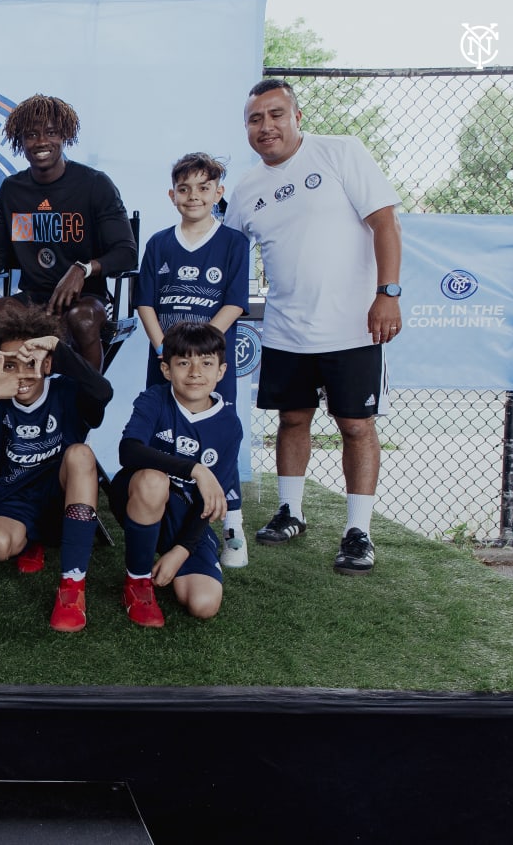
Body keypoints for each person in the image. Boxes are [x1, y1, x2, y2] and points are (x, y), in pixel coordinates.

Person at [223, 79, 402, 575]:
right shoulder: (245, 189)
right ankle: (291, 512)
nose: (267, 127)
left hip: (353, 327)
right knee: (292, 420)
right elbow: (230, 257)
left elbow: (386, 222)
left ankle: (358, 531)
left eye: (276, 115)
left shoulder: (341, 153)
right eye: (256, 119)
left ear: (297, 117)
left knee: (356, 426)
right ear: (247, 129)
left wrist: (387, 293)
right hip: (285, 329)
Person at [0, 303, 113, 633]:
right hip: (16, 498)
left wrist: (59, 350)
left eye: (30, 361)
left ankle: (72, 587)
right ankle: (32, 540)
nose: (21, 372)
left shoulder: (67, 392)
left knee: (80, 454)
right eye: (10, 363)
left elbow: (103, 391)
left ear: (48, 364)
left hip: (63, 494)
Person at [0, 93, 136, 386]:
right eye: (31, 135)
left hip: (87, 300)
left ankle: (83, 411)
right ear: (20, 141)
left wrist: (82, 269)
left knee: (81, 319)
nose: (41, 142)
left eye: (51, 133)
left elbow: (126, 253)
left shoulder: (94, 184)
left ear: (65, 136)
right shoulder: (13, 190)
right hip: (33, 300)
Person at [135, 152, 250, 567]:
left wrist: (201, 350)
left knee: (219, 441)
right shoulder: (158, 243)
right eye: (185, 189)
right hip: (167, 359)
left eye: (204, 188)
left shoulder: (234, 243)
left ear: (218, 193)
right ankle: (160, 519)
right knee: (161, 435)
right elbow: (145, 303)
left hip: (207, 363)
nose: (194, 196)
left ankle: (232, 525)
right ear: (172, 195)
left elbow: (234, 304)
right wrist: (164, 348)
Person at [109, 322, 241, 628]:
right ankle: (137, 582)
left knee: (203, 604)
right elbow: (128, 451)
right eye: (184, 363)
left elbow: (207, 504)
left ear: (221, 371)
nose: (195, 372)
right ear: (167, 370)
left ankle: (169, 551)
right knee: (154, 480)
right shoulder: (155, 399)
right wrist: (195, 469)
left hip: (186, 516)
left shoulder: (229, 426)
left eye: (206, 363)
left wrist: (180, 553)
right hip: (141, 496)